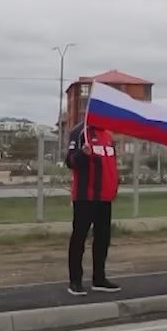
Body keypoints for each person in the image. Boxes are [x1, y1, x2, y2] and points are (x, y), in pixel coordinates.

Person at [66, 121, 121, 295]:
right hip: (85, 196)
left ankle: (99, 278)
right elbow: (70, 161)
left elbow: (111, 164)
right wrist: (83, 154)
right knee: (79, 238)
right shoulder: (80, 132)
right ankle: (75, 281)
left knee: (103, 238)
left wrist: (114, 186)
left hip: (105, 197)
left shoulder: (108, 135)